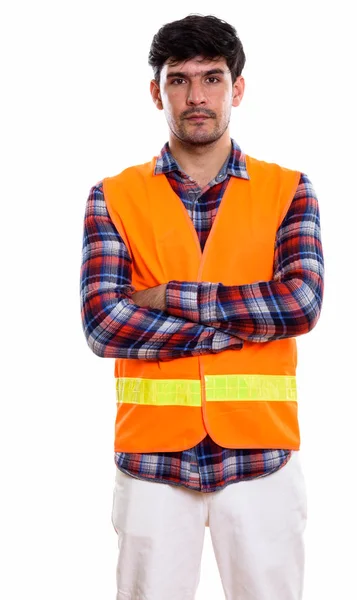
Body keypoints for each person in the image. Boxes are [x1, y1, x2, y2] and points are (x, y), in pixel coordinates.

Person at [80, 13, 324, 600]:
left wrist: (169, 298)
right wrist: (239, 327)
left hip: (261, 458)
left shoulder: (288, 190)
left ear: (237, 88)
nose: (196, 96)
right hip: (152, 463)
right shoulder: (112, 196)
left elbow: (301, 303)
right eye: (178, 80)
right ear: (155, 91)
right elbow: (105, 323)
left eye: (212, 78)